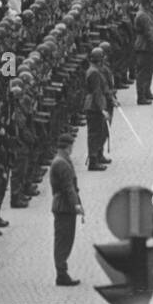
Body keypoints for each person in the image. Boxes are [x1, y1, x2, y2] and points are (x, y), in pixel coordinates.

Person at [50, 134, 83, 286]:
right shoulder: (62, 163)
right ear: (68, 146)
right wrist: (76, 205)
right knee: (64, 241)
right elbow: (69, 188)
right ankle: (61, 274)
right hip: (64, 207)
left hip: (63, 205)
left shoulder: (61, 160)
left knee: (65, 239)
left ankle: (62, 272)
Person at [83, 47, 110, 171]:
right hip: (93, 106)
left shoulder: (95, 70)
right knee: (94, 134)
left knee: (101, 131)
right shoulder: (93, 72)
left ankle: (98, 155)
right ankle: (93, 161)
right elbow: (96, 92)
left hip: (95, 104)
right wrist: (102, 109)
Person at [133, 0, 153, 105]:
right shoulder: (142, 15)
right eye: (152, 1)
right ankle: (141, 96)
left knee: (149, 69)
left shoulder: (146, 13)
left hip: (148, 45)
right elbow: (148, 32)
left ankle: (147, 92)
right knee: (143, 72)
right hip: (144, 45)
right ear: (147, 3)